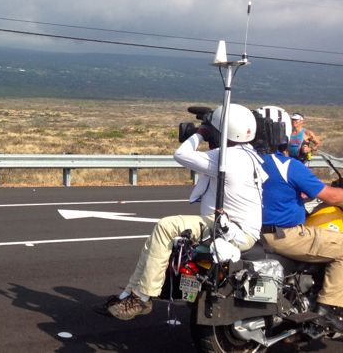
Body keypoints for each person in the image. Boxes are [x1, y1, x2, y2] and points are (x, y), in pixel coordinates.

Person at [98, 104, 265, 321]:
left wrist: (200, 132)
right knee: (155, 242)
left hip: (232, 231)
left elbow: (181, 154)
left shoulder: (225, 158)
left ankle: (142, 298)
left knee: (166, 226)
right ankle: (129, 293)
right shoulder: (248, 155)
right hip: (232, 226)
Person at [260, 148, 343, 331]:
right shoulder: (287, 165)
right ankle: (325, 310)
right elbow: (331, 196)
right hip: (282, 235)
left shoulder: (250, 160)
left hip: (254, 231)